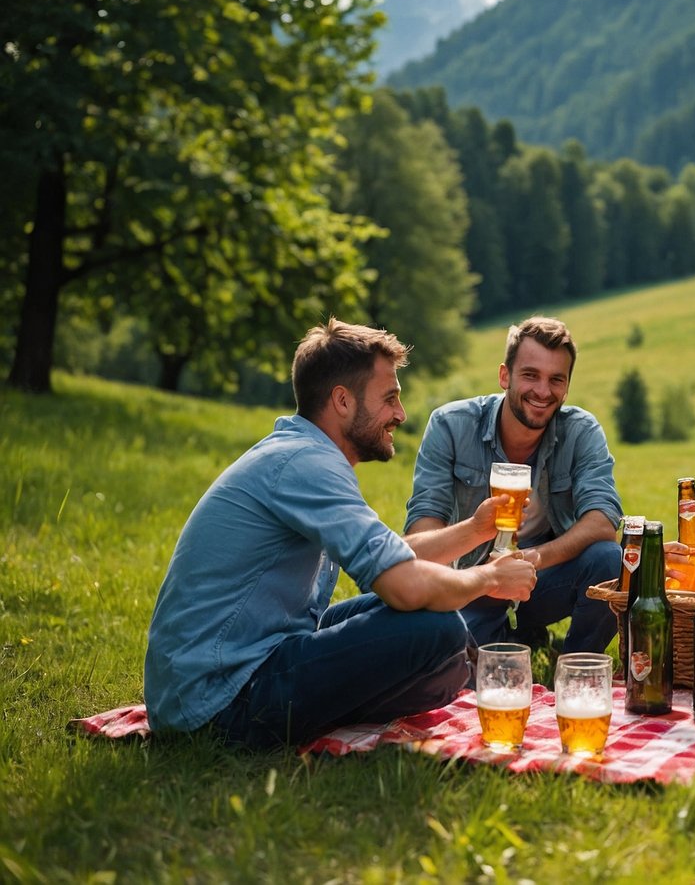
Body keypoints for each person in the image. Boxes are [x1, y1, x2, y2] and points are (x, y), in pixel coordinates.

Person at [144, 319, 540, 749]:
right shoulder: (306, 465)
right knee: (437, 629)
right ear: (342, 401)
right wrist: (491, 580)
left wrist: (477, 529)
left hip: (246, 658)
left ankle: (358, 693)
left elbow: (396, 557)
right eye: (390, 399)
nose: (400, 415)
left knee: (442, 642)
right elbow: (405, 586)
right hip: (217, 700)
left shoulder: (303, 452)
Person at [405, 316, 622, 656]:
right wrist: (484, 575)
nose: (543, 391)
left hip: (543, 576)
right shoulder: (450, 425)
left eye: (556, 380)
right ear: (504, 376)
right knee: (458, 669)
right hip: (474, 583)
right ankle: (514, 636)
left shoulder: (581, 431)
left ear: (567, 386)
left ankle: (575, 665)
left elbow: (603, 521)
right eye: (530, 375)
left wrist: (529, 559)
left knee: (610, 560)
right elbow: (420, 535)